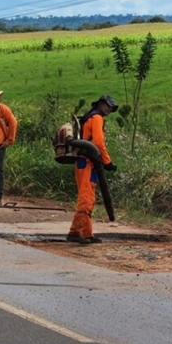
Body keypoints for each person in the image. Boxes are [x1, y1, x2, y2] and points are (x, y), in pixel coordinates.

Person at [68, 94, 119, 244]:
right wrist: (108, 162)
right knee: (86, 198)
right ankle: (76, 232)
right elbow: (98, 141)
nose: (110, 109)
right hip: (87, 162)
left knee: (88, 197)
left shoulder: (89, 117)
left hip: (85, 162)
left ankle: (85, 233)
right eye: (108, 106)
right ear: (101, 104)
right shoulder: (97, 118)